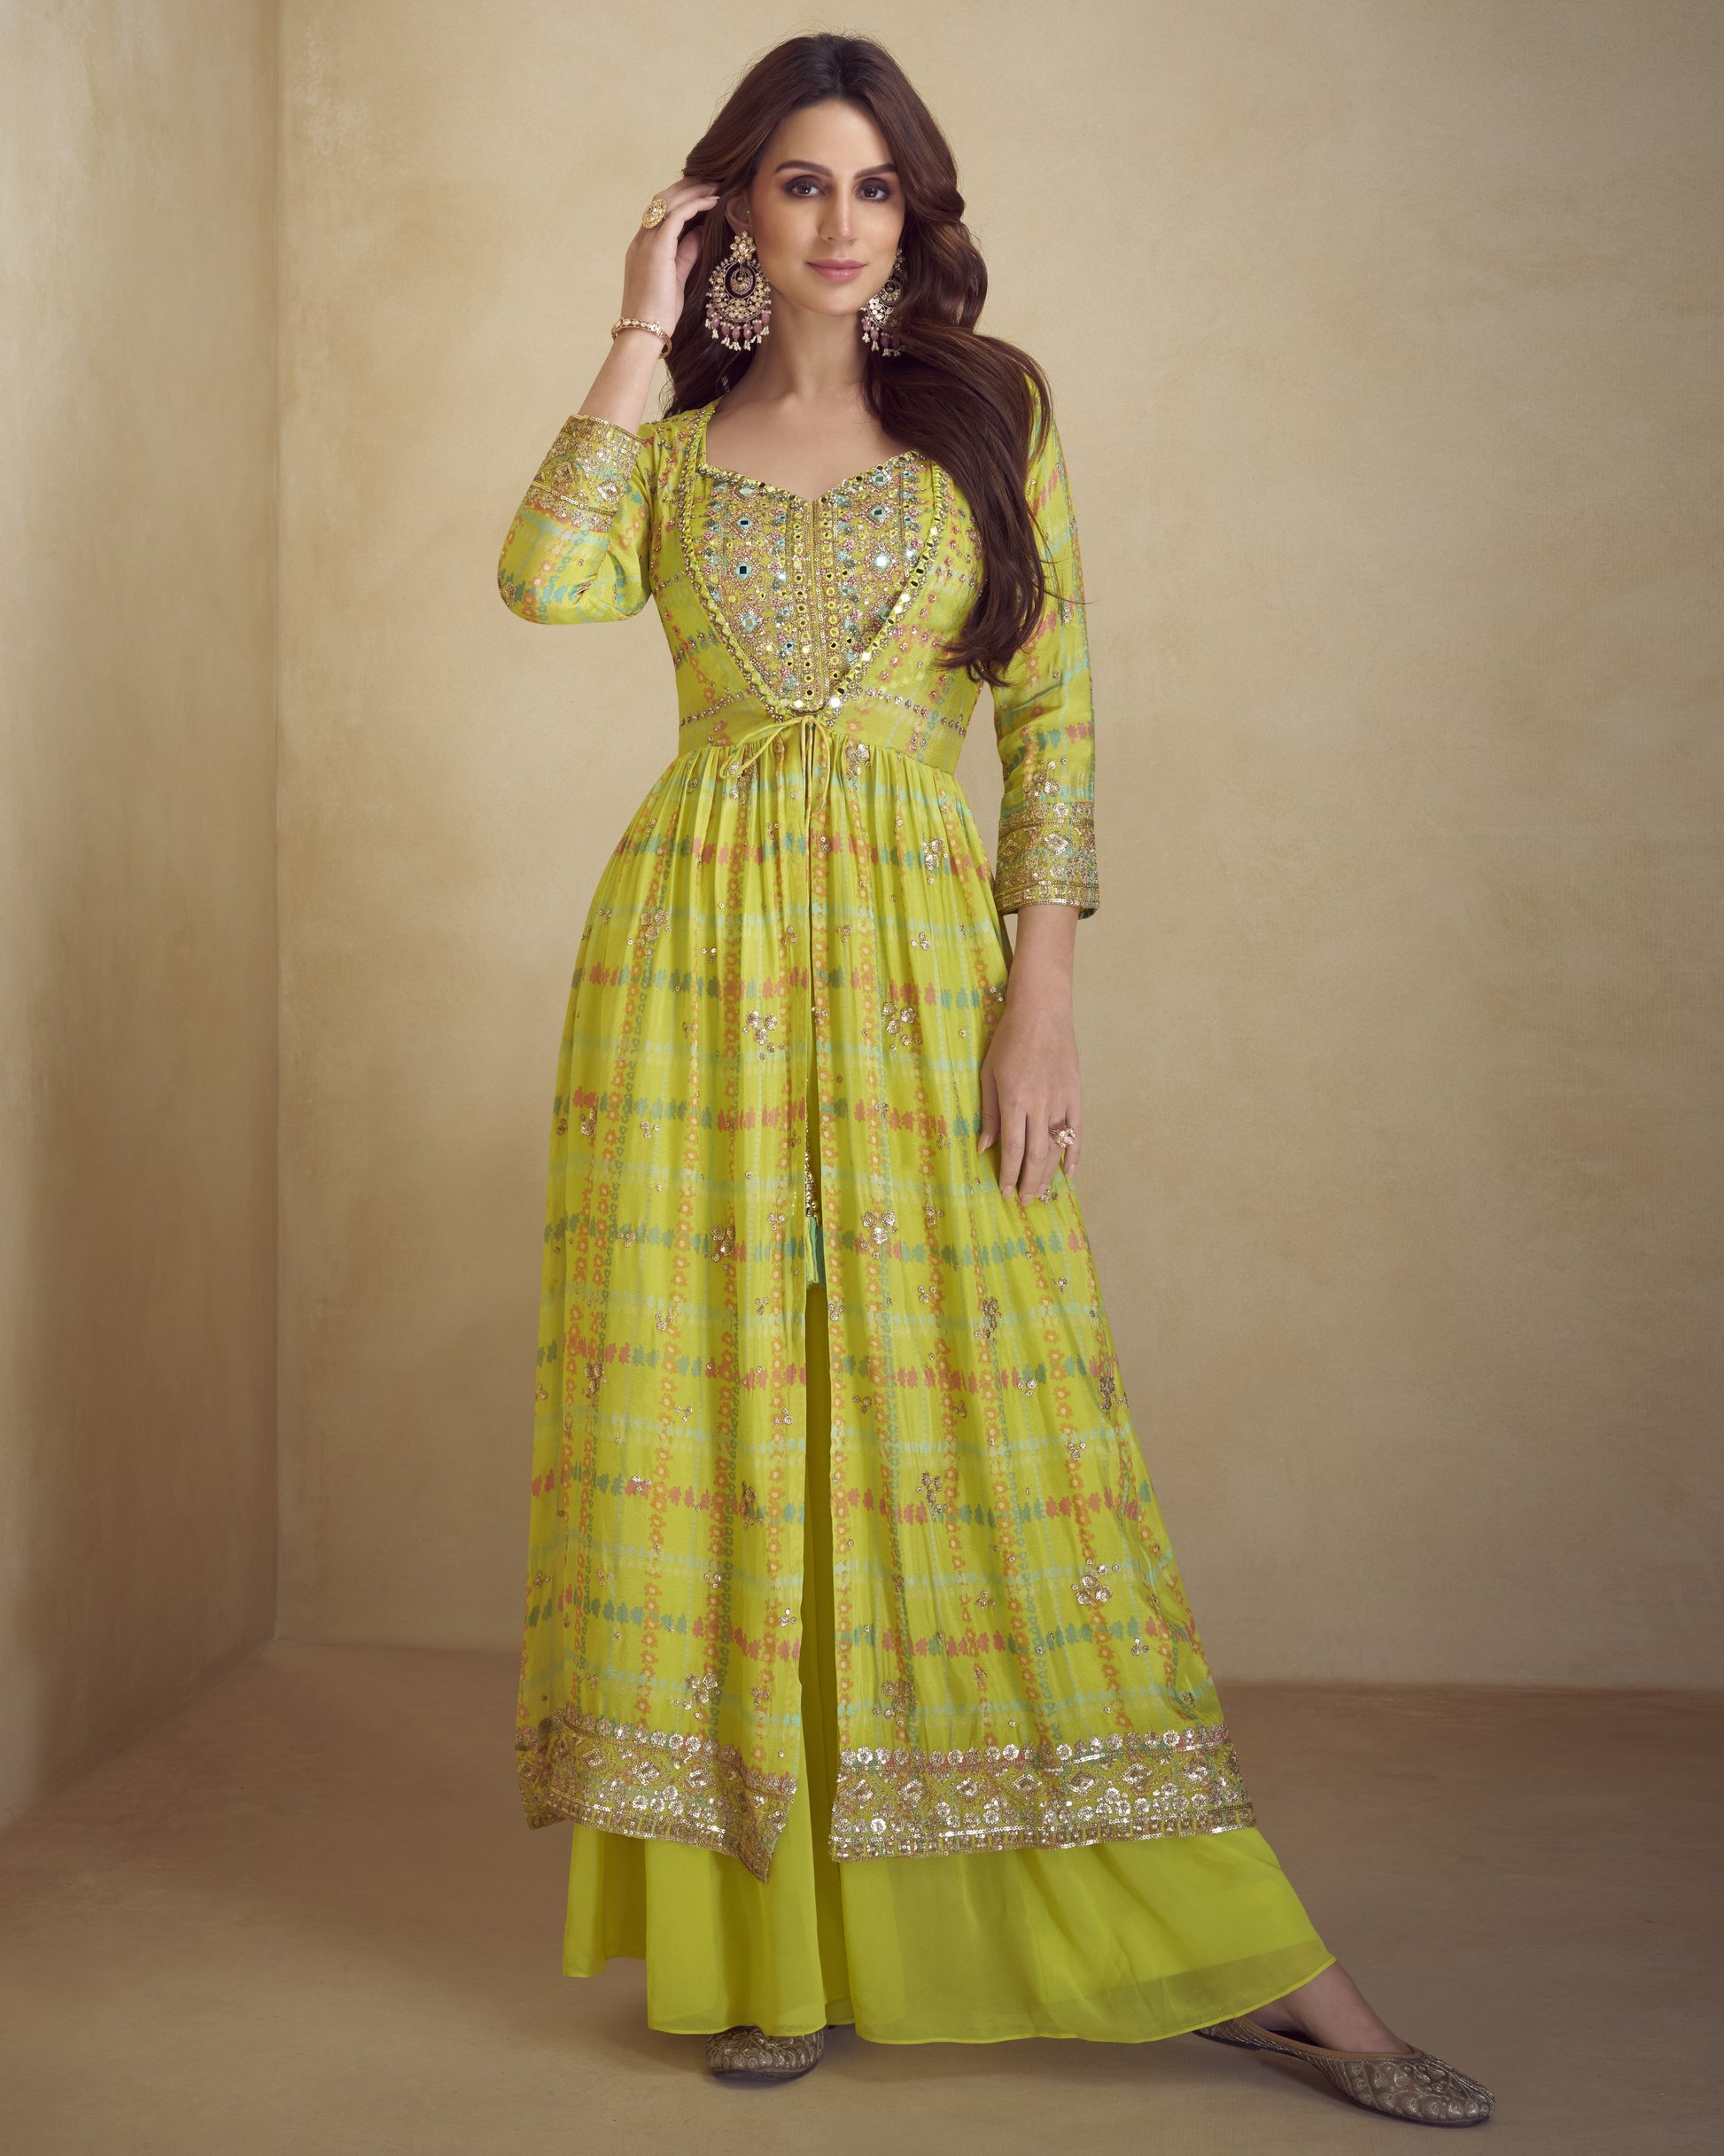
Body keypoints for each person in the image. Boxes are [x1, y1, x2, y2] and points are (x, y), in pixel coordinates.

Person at [495, 31, 1491, 2129]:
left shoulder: (991, 412)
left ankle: (1260, 1962)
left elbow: (1054, 725)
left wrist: (1042, 1000)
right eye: (794, 186)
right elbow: (543, 580)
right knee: (732, 1431)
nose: (838, 222)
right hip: (684, 978)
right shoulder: (665, 448)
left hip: (920, 956)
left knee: (990, 1430)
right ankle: (776, 1941)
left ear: (912, 216)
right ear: (732, 216)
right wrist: (623, 336)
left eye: (871, 188)